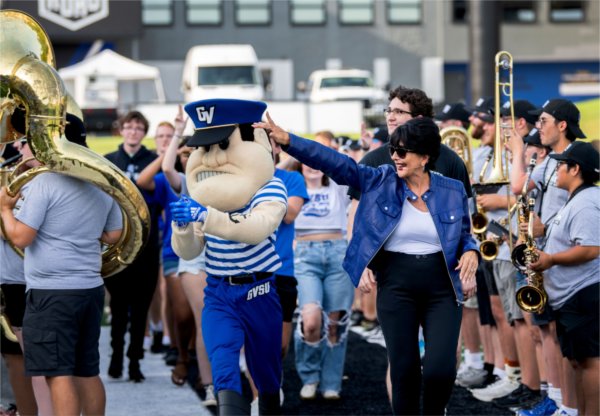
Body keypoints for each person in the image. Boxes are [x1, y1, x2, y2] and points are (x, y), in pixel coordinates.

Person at [256, 114, 480, 415]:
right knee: (404, 370)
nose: (395, 157)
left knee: (441, 369)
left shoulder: (451, 189)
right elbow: (335, 162)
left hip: (442, 286)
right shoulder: (380, 180)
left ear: (425, 157)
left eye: (403, 152)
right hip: (396, 284)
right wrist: (289, 141)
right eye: (393, 150)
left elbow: (465, 235)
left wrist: (471, 253)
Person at [170, 99, 287, 415]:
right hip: (219, 291)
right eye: (204, 148)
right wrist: (182, 227)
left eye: (221, 145)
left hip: (259, 292)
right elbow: (191, 250)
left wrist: (206, 216)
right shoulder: (204, 196)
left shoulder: (270, 187)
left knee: (265, 372)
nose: (212, 158)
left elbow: (256, 229)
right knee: (222, 360)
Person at [0, 132, 123, 415]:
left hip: (52, 293)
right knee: (86, 371)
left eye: (29, 142)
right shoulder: (100, 183)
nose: (22, 147)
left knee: (58, 374)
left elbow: (20, 237)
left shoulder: (44, 183)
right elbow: (115, 235)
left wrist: (6, 209)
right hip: (90, 289)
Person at [529, 141, 599, 416]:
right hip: (573, 297)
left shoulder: (586, 201)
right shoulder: (578, 199)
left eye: (561, 165)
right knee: (579, 363)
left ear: (575, 168)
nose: (557, 170)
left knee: (591, 363)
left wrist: (550, 260)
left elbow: (592, 248)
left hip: (585, 293)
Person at [103, 111, 161, 382]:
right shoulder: (109, 162)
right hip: (119, 245)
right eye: (129, 127)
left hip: (147, 246)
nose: (134, 132)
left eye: (139, 127)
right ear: (121, 130)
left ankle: (135, 360)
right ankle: (116, 357)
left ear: (143, 132)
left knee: (141, 308)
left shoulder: (153, 161)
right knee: (118, 306)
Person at [293, 160, 353, 401]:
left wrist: (324, 157)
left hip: (338, 254)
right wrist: (296, 152)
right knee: (311, 319)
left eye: (316, 162)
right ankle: (309, 375)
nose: (312, 165)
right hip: (305, 256)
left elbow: (346, 168)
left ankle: (331, 382)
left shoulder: (337, 189)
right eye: (306, 162)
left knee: (335, 323)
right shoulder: (293, 188)